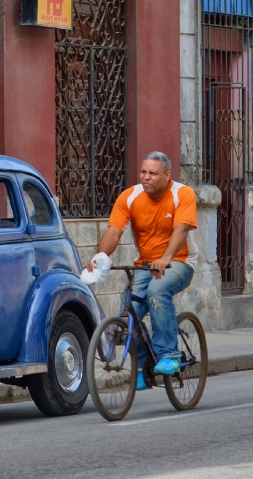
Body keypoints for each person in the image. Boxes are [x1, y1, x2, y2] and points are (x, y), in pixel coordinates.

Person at [87, 151, 197, 390]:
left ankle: (169, 354)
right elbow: (114, 230)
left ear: (167, 176)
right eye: (143, 172)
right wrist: (100, 257)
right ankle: (142, 365)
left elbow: (181, 229)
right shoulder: (130, 196)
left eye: (153, 173)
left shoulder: (182, 194)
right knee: (130, 314)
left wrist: (166, 258)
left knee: (157, 291)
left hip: (179, 261)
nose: (146, 177)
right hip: (144, 264)